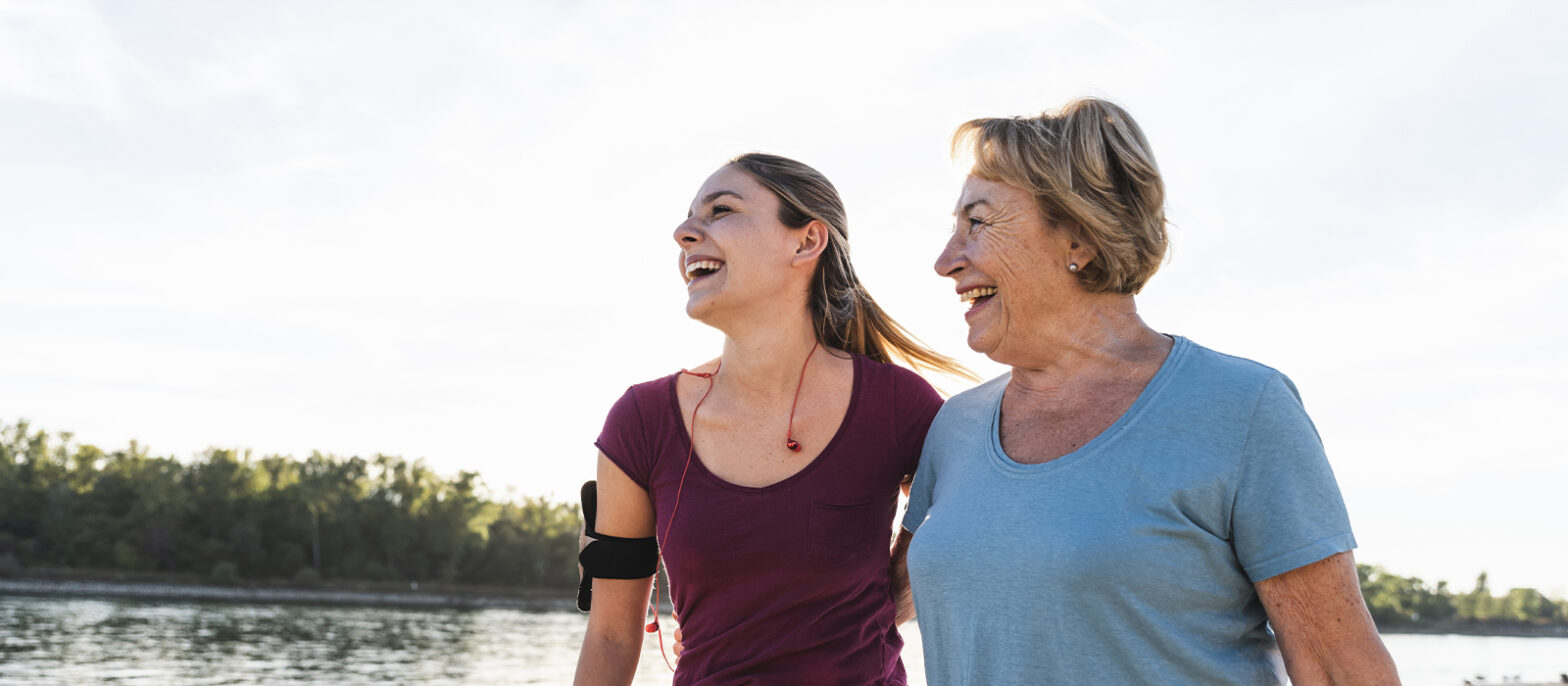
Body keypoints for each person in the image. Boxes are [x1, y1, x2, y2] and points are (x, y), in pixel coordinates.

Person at [900, 98, 1402, 685]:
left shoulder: (1240, 407)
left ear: (1079, 239)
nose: (945, 261)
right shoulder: (954, 426)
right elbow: (858, 615)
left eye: (977, 223)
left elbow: (1337, 665)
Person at [573, 153, 969, 686]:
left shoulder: (899, 407)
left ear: (806, 242)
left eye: (721, 210)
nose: (684, 232)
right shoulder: (640, 422)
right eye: (691, 216)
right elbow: (611, 637)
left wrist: (881, 603)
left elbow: (975, 536)